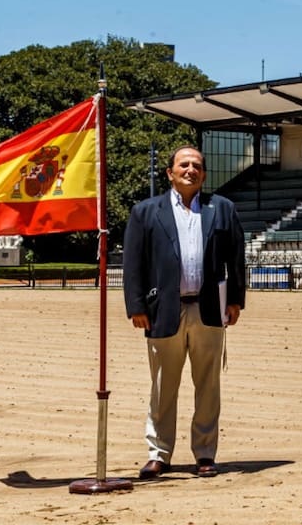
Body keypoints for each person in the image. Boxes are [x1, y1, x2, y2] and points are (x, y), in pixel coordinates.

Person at [123, 145, 246, 479]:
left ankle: (205, 453)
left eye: (196, 166)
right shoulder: (145, 212)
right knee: (163, 386)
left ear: (203, 174)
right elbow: (133, 263)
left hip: (209, 309)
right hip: (163, 310)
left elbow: (236, 259)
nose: (190, 170)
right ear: (170, 172)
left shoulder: (222, 209)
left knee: (208, 385)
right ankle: (159, 452)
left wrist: (235, 301)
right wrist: (135, 305)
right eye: (183, 165)